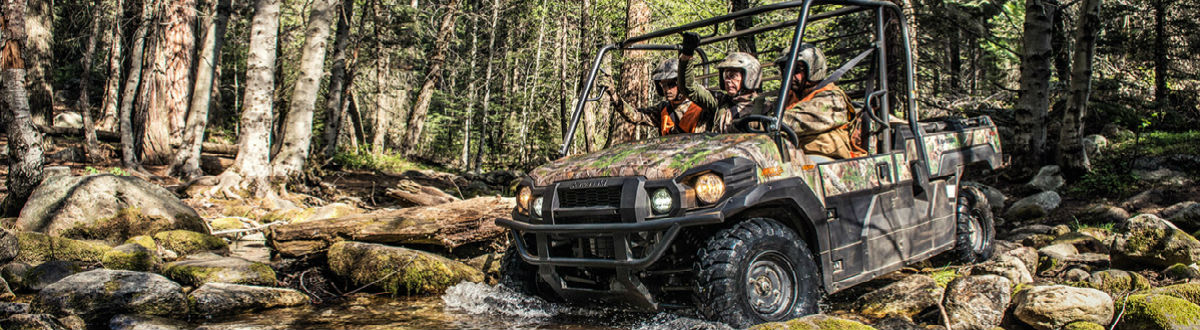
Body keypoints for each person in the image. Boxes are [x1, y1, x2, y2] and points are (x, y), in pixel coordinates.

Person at [776, 44, 864, 162]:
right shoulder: (789, 97)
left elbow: (798, 120)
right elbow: (768, 115)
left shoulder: (833, 99)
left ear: (814, 69)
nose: (789, 75)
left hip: (829, 162)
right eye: (784, 70)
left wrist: (767, 122)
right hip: (795, 158)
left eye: (796, 70)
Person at [675, 32, 766, 133]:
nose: (727, 80)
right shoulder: (720, 102)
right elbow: (689, 88)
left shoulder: (764, 108)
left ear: (749, 76)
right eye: (725, 76)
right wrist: (687, 55)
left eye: (733, 76)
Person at [612, 58, 714, 136]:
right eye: (663, 85)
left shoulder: (702, 107)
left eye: (671, 85)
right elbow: (635, 116)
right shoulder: (663, 110)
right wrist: (614, 96)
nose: (667, 90)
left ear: (682, 84)